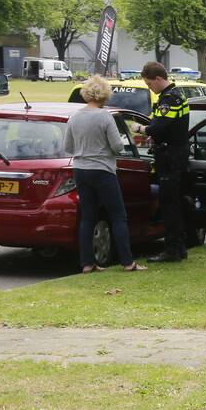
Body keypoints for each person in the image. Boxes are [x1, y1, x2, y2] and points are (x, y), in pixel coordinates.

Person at [64, 75, 145, 273]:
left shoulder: (75, 117)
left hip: (81, 169)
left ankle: (87, 263)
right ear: (105, 95)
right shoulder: (105, 117)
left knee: (88, 217)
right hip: (102, 170)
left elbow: (68, 147)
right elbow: (117, 147)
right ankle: (127, 262)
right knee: (118, 215)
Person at [137, 61, 190, 262]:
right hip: (174, 154)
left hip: (170, 157)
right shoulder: (175, 96)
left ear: (158, 79)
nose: (150, 88)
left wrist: (139, 129)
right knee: (173, 203)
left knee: (169, 205)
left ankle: (172, 250)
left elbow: (157, 127)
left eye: (150, 84)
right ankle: (179, 247)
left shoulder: (170, 99)